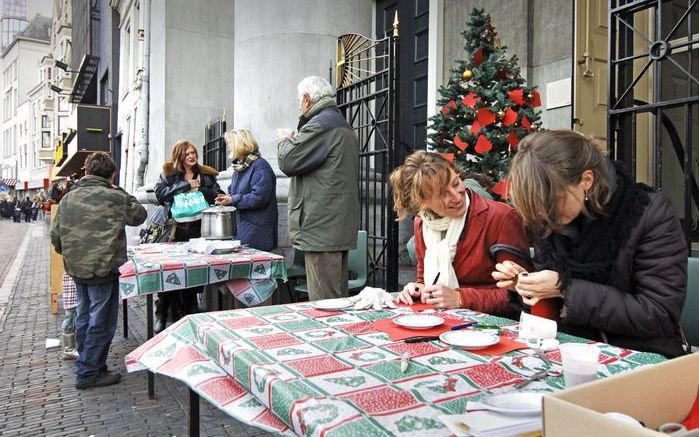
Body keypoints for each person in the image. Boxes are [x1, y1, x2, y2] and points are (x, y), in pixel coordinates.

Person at [496, 129, 686, 358]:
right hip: (570, 348)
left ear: (586, 180)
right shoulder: (548, 219)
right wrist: (526, 286)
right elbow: (549, 310)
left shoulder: (647, 213)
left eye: (552, 201)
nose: (543, 213)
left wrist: (565, 289)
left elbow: (659, 315)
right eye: (537, 205)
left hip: (641, 353)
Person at [392, 151, 531, 317]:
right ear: (421, 202)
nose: (456, 196)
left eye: (456, 182)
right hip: (443, 321)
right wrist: (418, 288)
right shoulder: (422, 222)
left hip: (493, 327)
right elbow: (423, 278)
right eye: (443, 193)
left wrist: (460, 298)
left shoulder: (502, 218)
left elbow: (522, 294)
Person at [50, 152, 147, 389]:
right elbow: (139, 216)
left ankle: (87, 363)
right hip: (103, 268)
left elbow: (56, 237)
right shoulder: (115, 197)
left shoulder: (68, 199)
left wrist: (75, 254)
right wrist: (120, 191)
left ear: (86, 172)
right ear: (111, 175)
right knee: (100, 322)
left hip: (77, 269)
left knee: (84, 317)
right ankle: (89, 371)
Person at [276, 75, 360, 301]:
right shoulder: (339, 123)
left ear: (306, 99)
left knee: (325, 303)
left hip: (322, 226)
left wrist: (285, 140)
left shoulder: (321, 125)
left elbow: (288, 161)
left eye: (298, 101)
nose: (298, 106)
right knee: (336, 298)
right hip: (334, 225)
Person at [154, 140, 223, 332]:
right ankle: (162, 313)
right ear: (179, 157)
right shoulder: (168, 173)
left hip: (198, 229)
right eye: (187, 154)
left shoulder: (206, 174)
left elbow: (219, 195)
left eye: (193, 153)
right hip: (176, 230)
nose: (191, 156)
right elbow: (160, 195)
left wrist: (200, 189)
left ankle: (190, 312)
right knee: (171, 272)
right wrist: (185, 185)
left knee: (193, 273)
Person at [215, 128, 278, 252]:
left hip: (257, 230)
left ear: (240, 143)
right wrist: (226, 198)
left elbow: (259, 197)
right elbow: (234, 191)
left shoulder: (260, 165)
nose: (228, 147)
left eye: (230, 143)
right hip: (244, 228)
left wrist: (233, 199)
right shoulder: (240, 167)